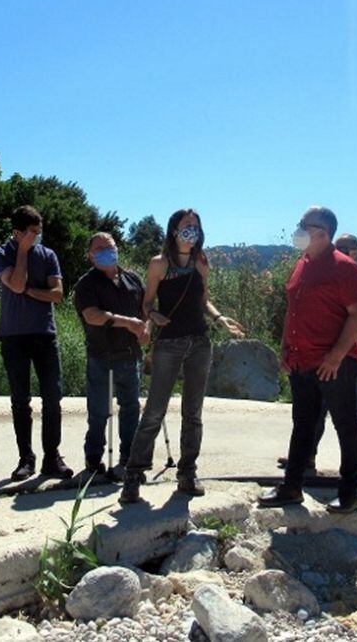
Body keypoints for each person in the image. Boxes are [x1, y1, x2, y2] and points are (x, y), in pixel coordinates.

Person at [119, 208, 244, 505]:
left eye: (196, 225)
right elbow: (146, 303)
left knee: (193, 413)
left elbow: (204, 300)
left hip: (200, 342)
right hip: (169, 344)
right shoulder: (159, 264)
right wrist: (153, 315)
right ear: (174, 230)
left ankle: (187, 473)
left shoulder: (201, 261)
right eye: (187, 225)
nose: (192, 230)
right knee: (154, 412)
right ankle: (133, 476)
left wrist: (219, 318)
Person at [259, 206, 357, 513]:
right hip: (301, 361)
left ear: (324, 233)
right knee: (303, 424)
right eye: (301, 224)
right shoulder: (301, 264)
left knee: (346, 424)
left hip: (336, 364)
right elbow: (292, 310)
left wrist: (335, 356)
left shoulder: (344, 267)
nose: (301, 229)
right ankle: (292, 487)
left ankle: (350, 493)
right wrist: (284, 348)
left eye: (307, 225)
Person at [276, 232, 357, 472]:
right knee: (314, 410)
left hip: (356, 344)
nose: (346, 249)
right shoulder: (309, 268)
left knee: (353, 407)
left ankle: (355, 466)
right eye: (342, 246)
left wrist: (353, 316)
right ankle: (306, 456)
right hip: (317, 348)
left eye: (351, 246)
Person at [0, 205, 73, 480]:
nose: (37, 237)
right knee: (20, 400)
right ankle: (26, 458)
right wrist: (23, 253)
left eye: (39, 232)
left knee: (53, 397)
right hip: (13, 336)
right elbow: (15, 283)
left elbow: (58, 294)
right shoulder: (1, 254)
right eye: (32, 233)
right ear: (17, 232)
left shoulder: (48, 255)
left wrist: (28, 290)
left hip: (44, 334)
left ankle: (53, 457)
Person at [73, 232, 148, 479]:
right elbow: (92, 315)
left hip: (130, 355)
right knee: (99, 411)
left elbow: (145, 309)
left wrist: (145, 329)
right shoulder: (86, 284)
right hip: (101, 356)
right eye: (100, 248)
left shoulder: (132, 279)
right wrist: (127, 323)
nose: (107, 251)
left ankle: (128, 458)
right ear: (90, 255)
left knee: (130, 409)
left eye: (110, 246)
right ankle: (93, 461)